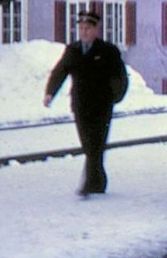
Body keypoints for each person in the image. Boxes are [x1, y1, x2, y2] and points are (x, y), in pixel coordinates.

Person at [43, 10, 128, 196]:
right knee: (88, 145)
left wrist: (115, 96)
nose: (84, 32)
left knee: (96, 144)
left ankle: (90, 184)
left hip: (102, 106)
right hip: (81, 106)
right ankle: (99, 181)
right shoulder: (72, 50)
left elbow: (120, 77)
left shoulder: (108, 51)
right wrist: (50, 92)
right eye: (81, 28)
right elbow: (59, 72)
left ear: (96, 30)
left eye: (88, 28)